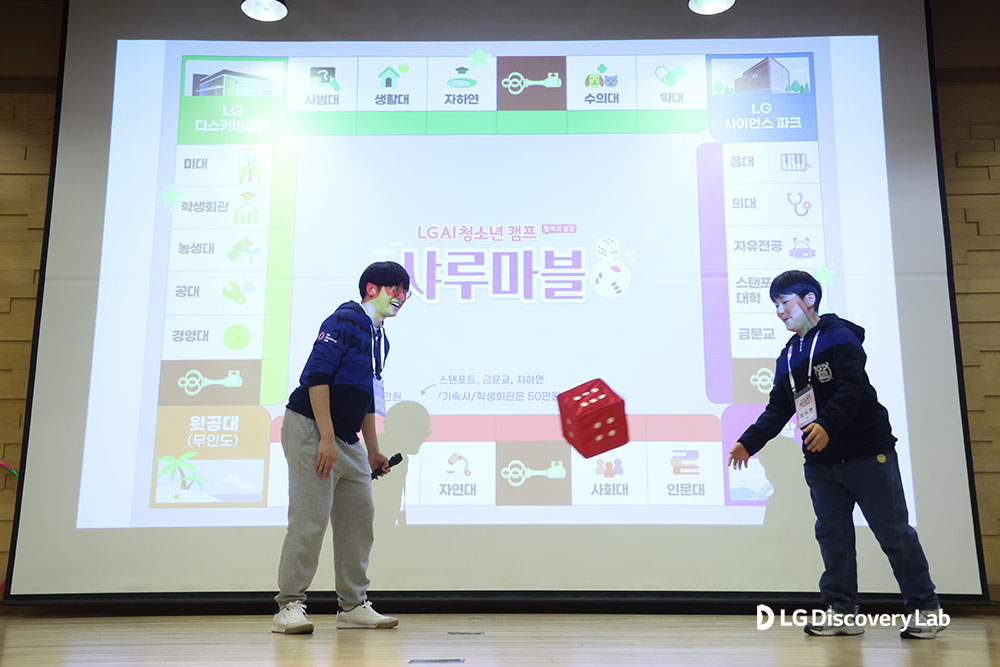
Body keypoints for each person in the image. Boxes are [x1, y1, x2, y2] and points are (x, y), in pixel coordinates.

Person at [728, 270, 947, 639]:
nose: (779, 312)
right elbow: (778, 408)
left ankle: (926, 608)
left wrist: (827, 424)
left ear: (809, 300)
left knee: (894, 533)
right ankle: (842, 611)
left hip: (867, 453)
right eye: (775, 306)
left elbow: (852, 387)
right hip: (821, 462)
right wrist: (749, 442)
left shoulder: (839, 336)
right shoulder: (788, 356)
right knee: (833, 538)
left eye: (784, 303)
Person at [271, 261, 410, 634]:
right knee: (309, 519)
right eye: (394, 288)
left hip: (347, 438)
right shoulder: (344, 320)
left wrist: (373, 449)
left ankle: (352, 605)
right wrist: (327, 438)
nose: (401, 296)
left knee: (359, 521)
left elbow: (367, 396)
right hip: (311, 428)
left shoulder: (380, 338)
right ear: (371, 290)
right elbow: (317, 377)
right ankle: (289, 606)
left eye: (405, 290)